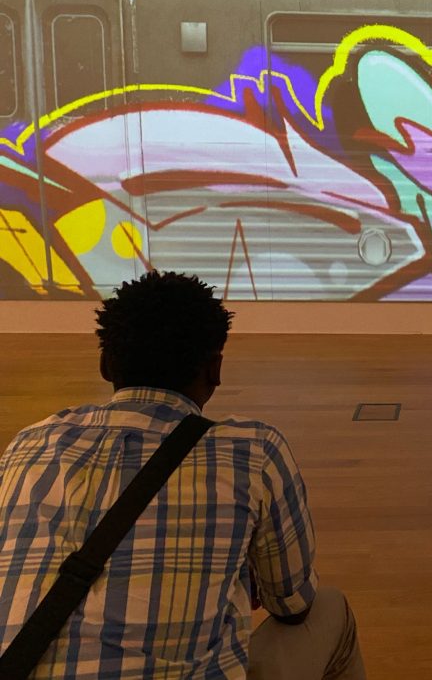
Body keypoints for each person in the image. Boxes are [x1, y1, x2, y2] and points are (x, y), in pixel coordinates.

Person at [0, 271, 365, 679]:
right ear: (215, 369)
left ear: (105, 364)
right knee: (331, 608)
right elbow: (293, 604)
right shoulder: (251, 451)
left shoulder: (30, 444)